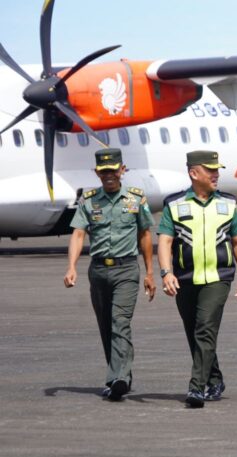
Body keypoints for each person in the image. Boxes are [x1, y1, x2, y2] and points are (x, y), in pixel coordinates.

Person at [158, 151, 237, 408]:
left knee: (205, 329)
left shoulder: (228, 204)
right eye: (210, 170)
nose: (216, 174)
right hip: (185, 279)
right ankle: (214, 379)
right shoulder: (175, 204)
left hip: (218, 278)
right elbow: (165, 241)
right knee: (195, 332)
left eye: (217, 170)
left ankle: (196, 388)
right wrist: (166, 273)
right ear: (193, 173)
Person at [63, 148, 156, 401]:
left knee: (119, 322)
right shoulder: (89, 200)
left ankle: (119, 379)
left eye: (113, 171)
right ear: (97, 173)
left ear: (122, 170)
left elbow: (145, 235)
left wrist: (150, 272)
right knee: (106, 325)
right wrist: (71, 266)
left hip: (126, 269)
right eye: (104, 172)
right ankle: (118, 373)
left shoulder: (136, 199)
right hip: (99, 270)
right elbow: (79, 234)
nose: (109, 176)